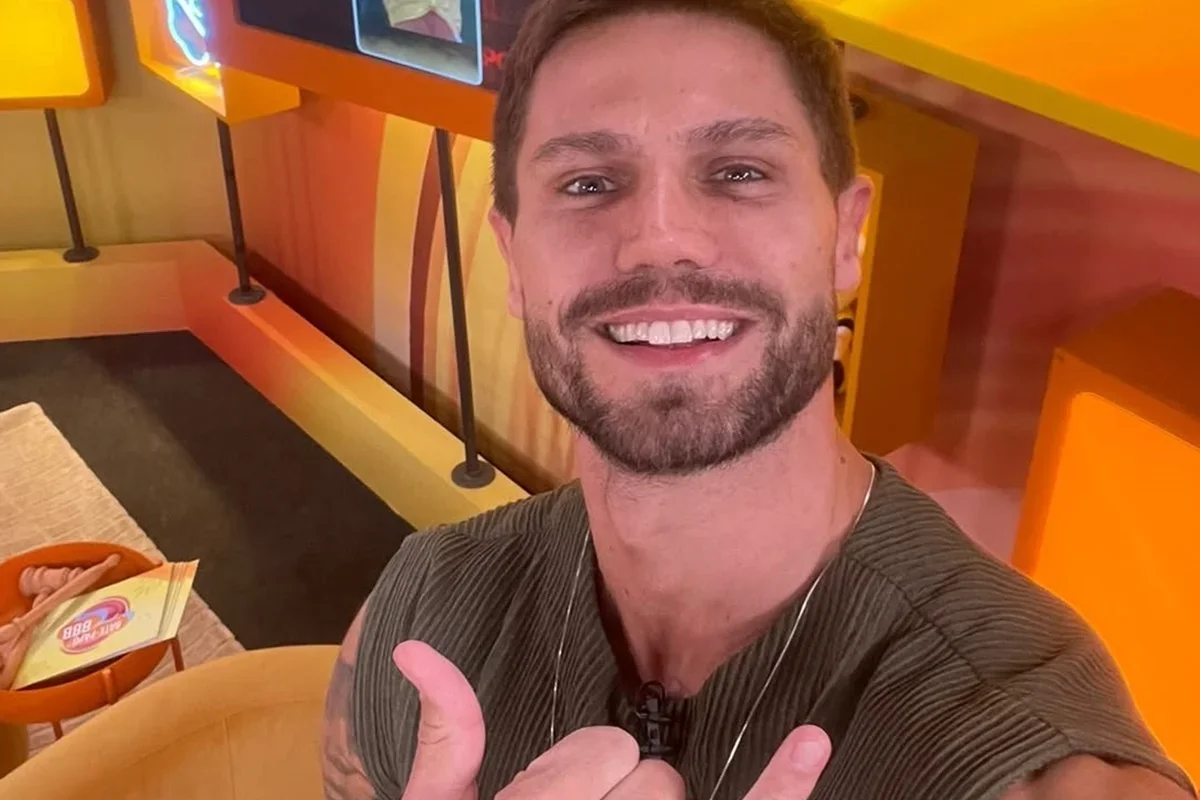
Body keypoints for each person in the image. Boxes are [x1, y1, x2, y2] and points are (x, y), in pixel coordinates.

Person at [322, 0, 1196, 798]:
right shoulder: (425, 606)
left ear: (846, 234)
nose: (660, 240)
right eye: (588, 183)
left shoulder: (1026, 751)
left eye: (739, 170)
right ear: (514, 258)